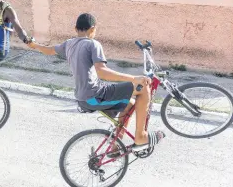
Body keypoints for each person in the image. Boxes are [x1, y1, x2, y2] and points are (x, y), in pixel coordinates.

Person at [27, 13, 166, 153]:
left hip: (83, 98)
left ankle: (114, 146)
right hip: (95, 95)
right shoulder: (93, 44)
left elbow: (49, 50)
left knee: (129, 104)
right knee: (144, 88)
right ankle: (141, 136)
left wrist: (33, 45)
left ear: (76, 28)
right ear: (93, 29)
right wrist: (133, 78)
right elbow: (102, 72)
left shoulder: (68, 44)